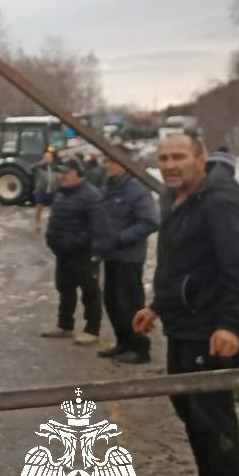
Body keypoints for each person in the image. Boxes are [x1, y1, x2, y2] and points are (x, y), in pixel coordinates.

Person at [133, 133, 239, 476]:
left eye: (179, 157)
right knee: (187, 406)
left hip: (211, 327)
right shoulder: (176, 199)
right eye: (164, 157)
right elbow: (175, 266)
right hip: (183, 324)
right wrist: (156, 307)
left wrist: (230, 325)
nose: (170, 164)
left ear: (200, 159)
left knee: (213, 413)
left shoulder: (220, 201)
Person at [92, 150, 158, 364]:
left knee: (129, 303)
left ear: (124, 163)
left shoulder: (136, 189)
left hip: (129, 257)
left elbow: (149, 221)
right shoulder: (109, 185)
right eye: (106, 161)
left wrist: (121, 238)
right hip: (111, 255)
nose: (107, 166)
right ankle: (123, 343)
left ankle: (139, 348)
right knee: (112, 302)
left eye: (111, 161)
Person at [40, 158, 103, 346]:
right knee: (65, 289)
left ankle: (92, 329)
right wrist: (51, 239)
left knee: (89, 291)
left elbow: (95, 227)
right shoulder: (61, 193)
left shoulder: (91, 195)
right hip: (63, 253)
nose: (62, 176)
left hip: (83, 253)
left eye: (66, 172)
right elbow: (53, 220)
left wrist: (75, 243)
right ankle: (64, 325)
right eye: (61, 172)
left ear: (78, 173)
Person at [31, 146, 59, 232]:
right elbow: (31, 168)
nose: (48, 158)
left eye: (49, 157)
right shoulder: (40, 167)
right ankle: (37, 223)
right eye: (46, 157)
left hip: (51, 190)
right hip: (40, 190)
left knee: (53, 209)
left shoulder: (54, 167)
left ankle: (52, 224)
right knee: (39, 207)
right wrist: (41, 162)